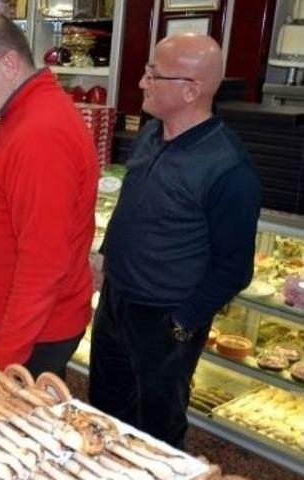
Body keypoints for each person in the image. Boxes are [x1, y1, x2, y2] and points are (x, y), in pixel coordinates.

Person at [89, 35, 261, 449]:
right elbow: (132, 203)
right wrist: (106, 255)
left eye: (153, 73)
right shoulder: (150, 134)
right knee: (103, 412)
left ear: (191, 89)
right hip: (116, 302)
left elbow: (235, 268)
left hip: (166, 318)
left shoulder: (229, 168)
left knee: (156, 430)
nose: (143, 81)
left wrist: (183, 322)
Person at [0, 13, 98, 377]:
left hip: (27, 334)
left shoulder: (40, 132)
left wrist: (3, 363)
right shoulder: (20, 113)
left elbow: (43, 265)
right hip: (6, 319)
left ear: (10, 64)